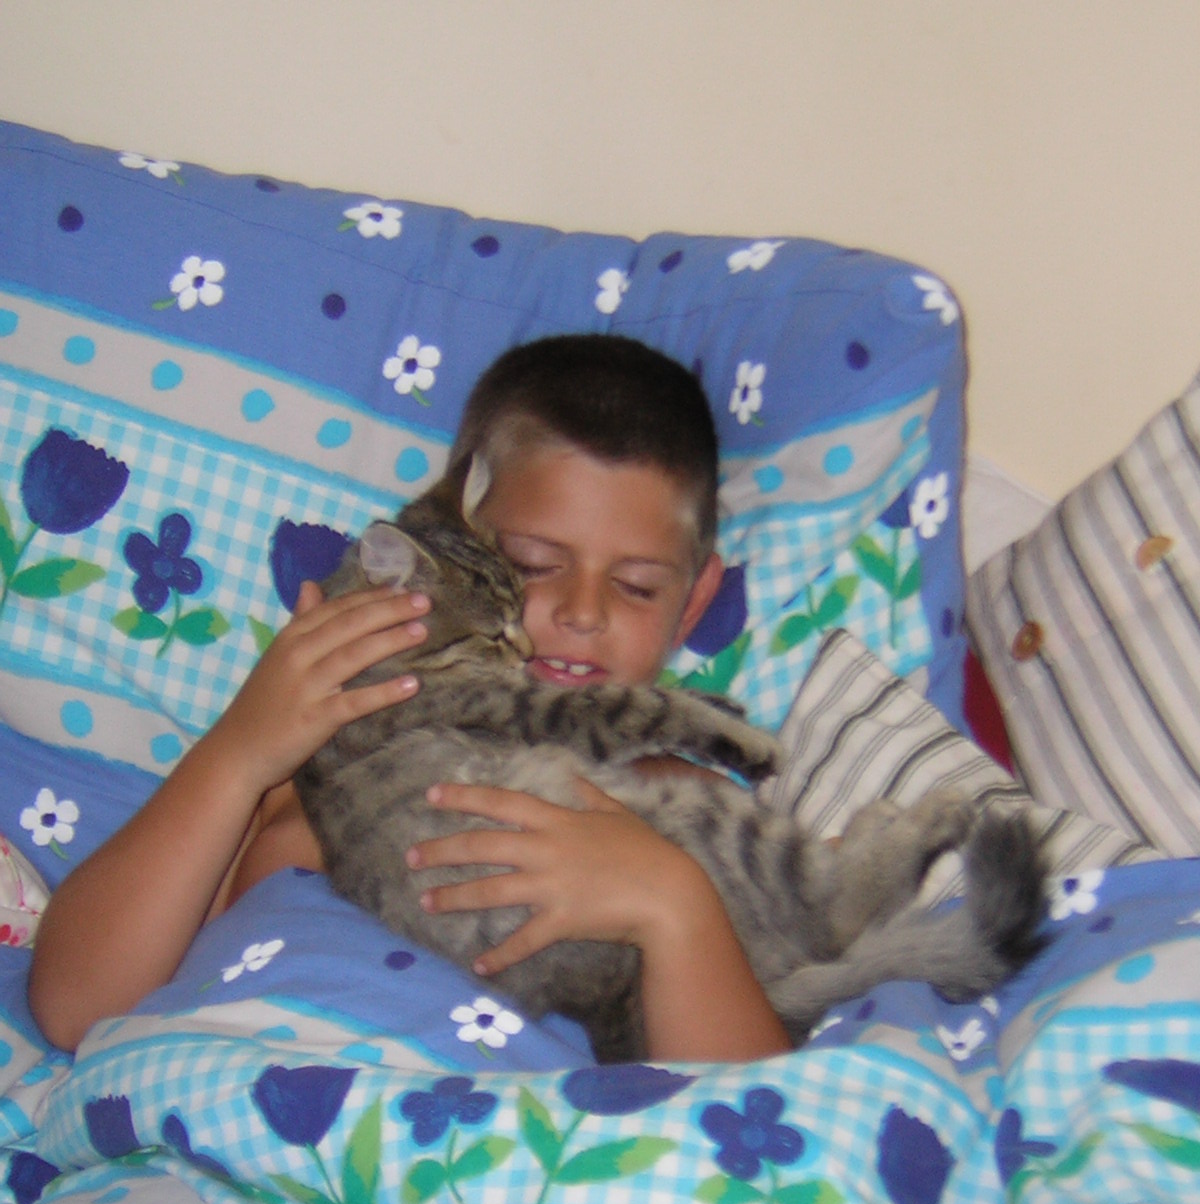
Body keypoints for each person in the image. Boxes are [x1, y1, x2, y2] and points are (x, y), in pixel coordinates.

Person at [28, 334, 790, 1063]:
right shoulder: (311, 769)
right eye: (532, 565)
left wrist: (675, 907)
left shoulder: (680, 803)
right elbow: (75, 1008)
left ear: (692, 603)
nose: (582, 612)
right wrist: (238, 754)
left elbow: (756, 1115)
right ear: (454, 548)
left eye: (636, 586)